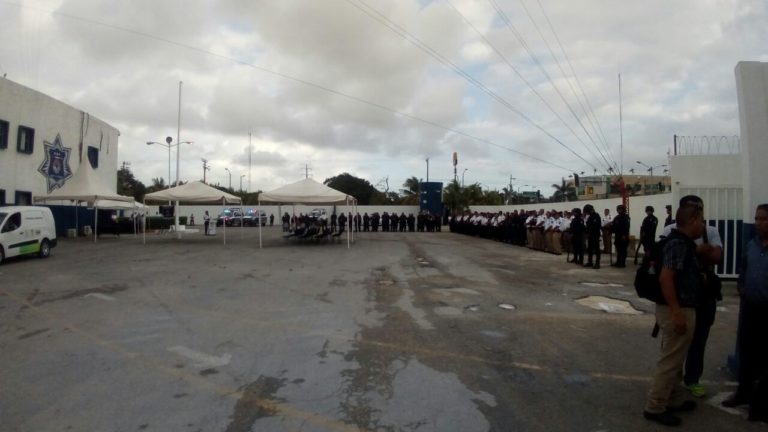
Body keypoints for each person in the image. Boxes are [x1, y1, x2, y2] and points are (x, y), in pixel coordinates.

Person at [644, 203, 705, 426]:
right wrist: (677, 312)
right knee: (670, 361)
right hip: (676, 309)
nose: (703, 225)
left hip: (676, 308)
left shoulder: (681, 243)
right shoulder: (678, 244)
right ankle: (655, 406)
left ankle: (674, 398)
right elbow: (665, 278)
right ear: (693, 221)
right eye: (701, 220)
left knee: (676, 358)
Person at [660, 196, 724, 398]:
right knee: (674, 346)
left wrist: (693, 253)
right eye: (693, 211)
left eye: (699, 210)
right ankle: (668, 388)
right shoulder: (669, 231)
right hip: (680, 297)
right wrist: (697, 250)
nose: (699, 217)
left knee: (699, 340)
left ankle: (692, 379)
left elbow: (717, 257)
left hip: (704, 295)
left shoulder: (710, 231)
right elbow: (663, 262)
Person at [722, 204, 768, 423]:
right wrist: (741, 286)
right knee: (748, 352)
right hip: (751, 307)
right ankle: (743, 394)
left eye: (763, 219)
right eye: (756, 218)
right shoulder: (751, 245)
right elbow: (744, 268)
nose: (758, 223)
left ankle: (761, 405)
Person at [584, 204, 602, 269]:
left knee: (597, 250)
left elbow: (597, 226)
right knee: (590, 249)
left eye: (587, 211)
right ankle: (590, 262)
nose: (587, 213)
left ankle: (597, 263)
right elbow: (588, 226)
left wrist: (590, 231)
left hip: (595, 235)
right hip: (590, 235)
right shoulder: (590, 217)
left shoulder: (596, 216)